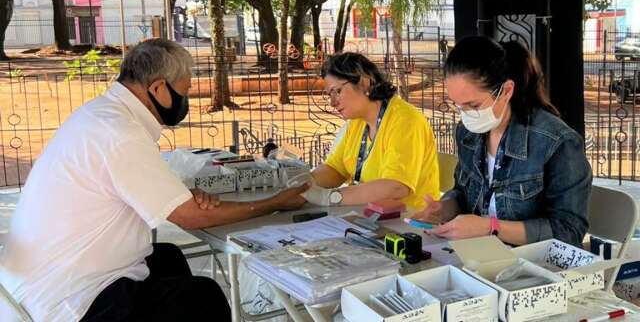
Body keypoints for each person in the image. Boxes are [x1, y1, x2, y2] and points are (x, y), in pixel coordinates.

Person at [0, 39, 308, 322]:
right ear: (159, 88)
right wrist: (275, 203)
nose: (185, 100)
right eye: (184, 91)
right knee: (203, 297)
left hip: (48, 282)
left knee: (167, 258)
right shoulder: (118, 134)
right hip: (69, 303)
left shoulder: (101, 115)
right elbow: (191, 217)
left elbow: (142, 192)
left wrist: (182, 196)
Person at [413, 35, 591, 247]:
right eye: (458, 106)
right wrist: (446, 207)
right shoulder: (468, 133)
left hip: (537, 264)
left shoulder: (556, 142)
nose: (466, 115)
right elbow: (464, 192)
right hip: (479, 255)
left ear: (506, 91)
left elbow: (569, 232)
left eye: (474, 105)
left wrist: (491, 227)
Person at [304, 52, 440, 210]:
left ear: (364, 82)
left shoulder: (405, 120)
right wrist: (302, 184)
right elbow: (335, 169)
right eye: (329, 95)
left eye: (337, 91)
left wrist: (329, 197)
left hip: (409, 223)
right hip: (368, 218)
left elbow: (396, 187)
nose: (333, 103)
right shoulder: (357, 122)